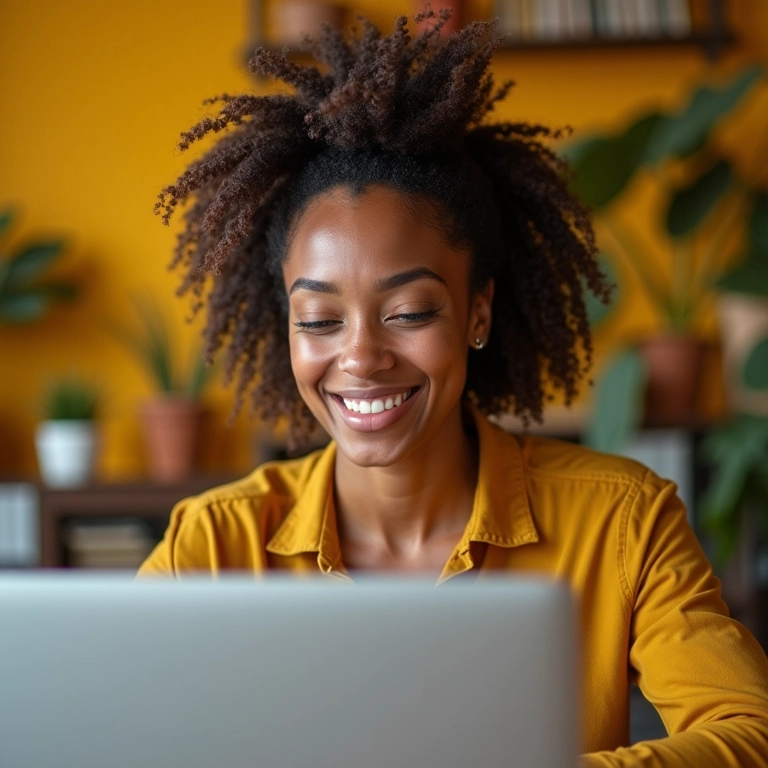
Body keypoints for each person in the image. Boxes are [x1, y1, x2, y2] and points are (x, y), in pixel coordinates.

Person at [139, 10, 768, 766]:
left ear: (477, 311)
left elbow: (750, 734)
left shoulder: (624, 524)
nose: (362, 357)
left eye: (407, 312)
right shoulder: (209, 549)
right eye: (320, 319)